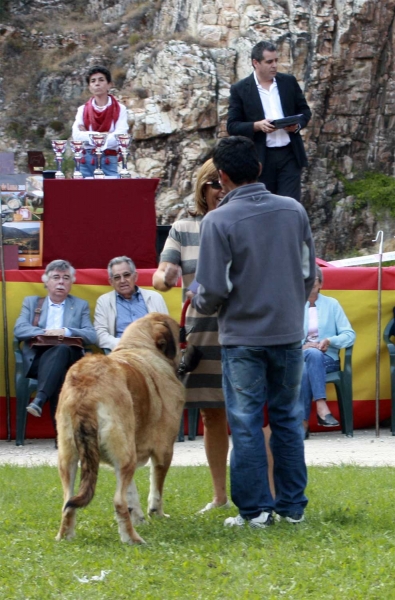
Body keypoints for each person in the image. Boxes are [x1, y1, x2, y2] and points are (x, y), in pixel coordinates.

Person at [192, 136, 316, 528]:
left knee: (245, 423)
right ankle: (292, 507)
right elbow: (310, 273)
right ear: (260, 167)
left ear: (222, 177)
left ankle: (255, 511)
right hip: (288, 334)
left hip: (243, 337)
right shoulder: (294, 210)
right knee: (286, 418)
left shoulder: (218, 220)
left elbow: (212, 289)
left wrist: (198, 302)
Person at [153, 158, 231, 514]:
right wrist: (164, 277)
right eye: (214, 183)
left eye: (225, 182)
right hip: (202, 333)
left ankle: (260, 491)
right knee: (212, 415)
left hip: (243, 327)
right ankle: (219, 496)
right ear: (202, 187)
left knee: (248, 414)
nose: (220, 189)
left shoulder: (240, 219)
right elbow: (162, 272)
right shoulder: (184, 227)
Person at [14, 259, 97, 429]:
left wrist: (66, 332)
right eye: (56, 277)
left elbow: (92, 335)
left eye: (66, 277)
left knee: (61, 350)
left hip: (70, 357)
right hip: (38, 359)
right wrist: (45, 333)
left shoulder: (79, 305)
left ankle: (40, 399)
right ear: (46, 281)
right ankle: (61, 438)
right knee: (58, 369)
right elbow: (19, 329)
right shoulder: (32, 303)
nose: (61, 282)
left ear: (71, 283)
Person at [227, 40, 311, 202]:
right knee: (264, 207)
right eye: (269, 62)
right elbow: (232, 126)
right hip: (261, 160)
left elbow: (305, 111)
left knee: (289, 206)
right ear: (255, 63)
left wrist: (297, 125)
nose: (274, 65)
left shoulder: (288, 82)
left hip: (290, 155)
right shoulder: (240, 89)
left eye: (276, 61)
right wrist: (257, 126)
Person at [301, 266, 356, 436]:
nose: (310, 283)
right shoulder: (292, 306)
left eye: (314, 280)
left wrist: (329, 340)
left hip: (327, 358)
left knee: (309, 362)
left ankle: (301, 425)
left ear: (321, 284)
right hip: (297, 358)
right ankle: (321, 407)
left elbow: (349, 334)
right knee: (308, 357)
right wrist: (300, 346)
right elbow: (281, 335)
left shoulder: (332, 304)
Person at [94, 256, 168, 351]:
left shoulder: (155, 298)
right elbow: (99, 335)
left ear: (135, 276)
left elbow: (166, 329)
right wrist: (124, 344)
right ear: (111, 282)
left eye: (126, 275)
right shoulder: (104, 301)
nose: (122, 281)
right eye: (117, 277)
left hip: (152, 351)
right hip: (120, 352)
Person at [71, 65, 129, 178]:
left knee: (111, 193)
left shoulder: (120, 109)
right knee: (81, 193)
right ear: (89, 86)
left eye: (101, 80)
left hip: (108, 159)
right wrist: (102, 135)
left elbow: (120, 136)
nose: (97, 83)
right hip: (85, 161)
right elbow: (77, 136)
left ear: (109, 84)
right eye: (93, 81)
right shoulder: (82, 110)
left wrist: (88, 136)